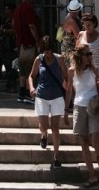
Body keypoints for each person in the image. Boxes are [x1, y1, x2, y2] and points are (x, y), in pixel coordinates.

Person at [65, 44, 99, 187]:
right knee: (83, 143)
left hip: (93, 105)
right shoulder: (71, 71)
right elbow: (69, 91)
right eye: (87, 54)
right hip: (78, 106)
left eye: (90, 54)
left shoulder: (94, 70)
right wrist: (66, 110)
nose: (90, 57)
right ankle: (92, 175)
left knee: (95, 138)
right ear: (79, 57)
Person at [29, 35, 68, 170]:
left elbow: (66, 77)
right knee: (44, 125)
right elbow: (31, 76)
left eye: (49, 50)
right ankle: (43, 135)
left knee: (55, 127)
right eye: (45, 51)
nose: (48, 54)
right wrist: (32, 87)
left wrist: (67, 91)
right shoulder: (38, 60)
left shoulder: (60, 59)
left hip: (57, 96)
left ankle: (56, 156)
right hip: (42, 96)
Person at [12, 0, 41, 104]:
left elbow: (14, 24)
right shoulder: (28, 8)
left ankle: (22, 94)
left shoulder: (18, 9)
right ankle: (30, 94)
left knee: (22, 71)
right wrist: (37, 40)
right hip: (29, 43)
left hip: (21, 43)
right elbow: (31, 25)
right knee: (31, 69)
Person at [78, 13, 99, 97]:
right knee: (87, 96)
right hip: (86, 71)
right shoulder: (81, 35)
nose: (87, 27)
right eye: (85, 25)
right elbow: (77, 52)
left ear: (94, 24)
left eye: (89, 25)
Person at [0, 4, 17, 90]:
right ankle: (8, 85)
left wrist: (3, 30)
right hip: (4, 46)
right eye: (5, 9)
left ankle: (12, 86)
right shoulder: (5, 19)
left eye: (7, 9)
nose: (6, 11)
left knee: (12, 66)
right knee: (7, 66)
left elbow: (15, 31)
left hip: (10, 45)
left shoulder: (13, 19)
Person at [60, 0, 83, 68]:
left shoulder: (67, 19)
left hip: (65, 50)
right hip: (71, 52)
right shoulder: (72, 22)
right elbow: (79, 37)